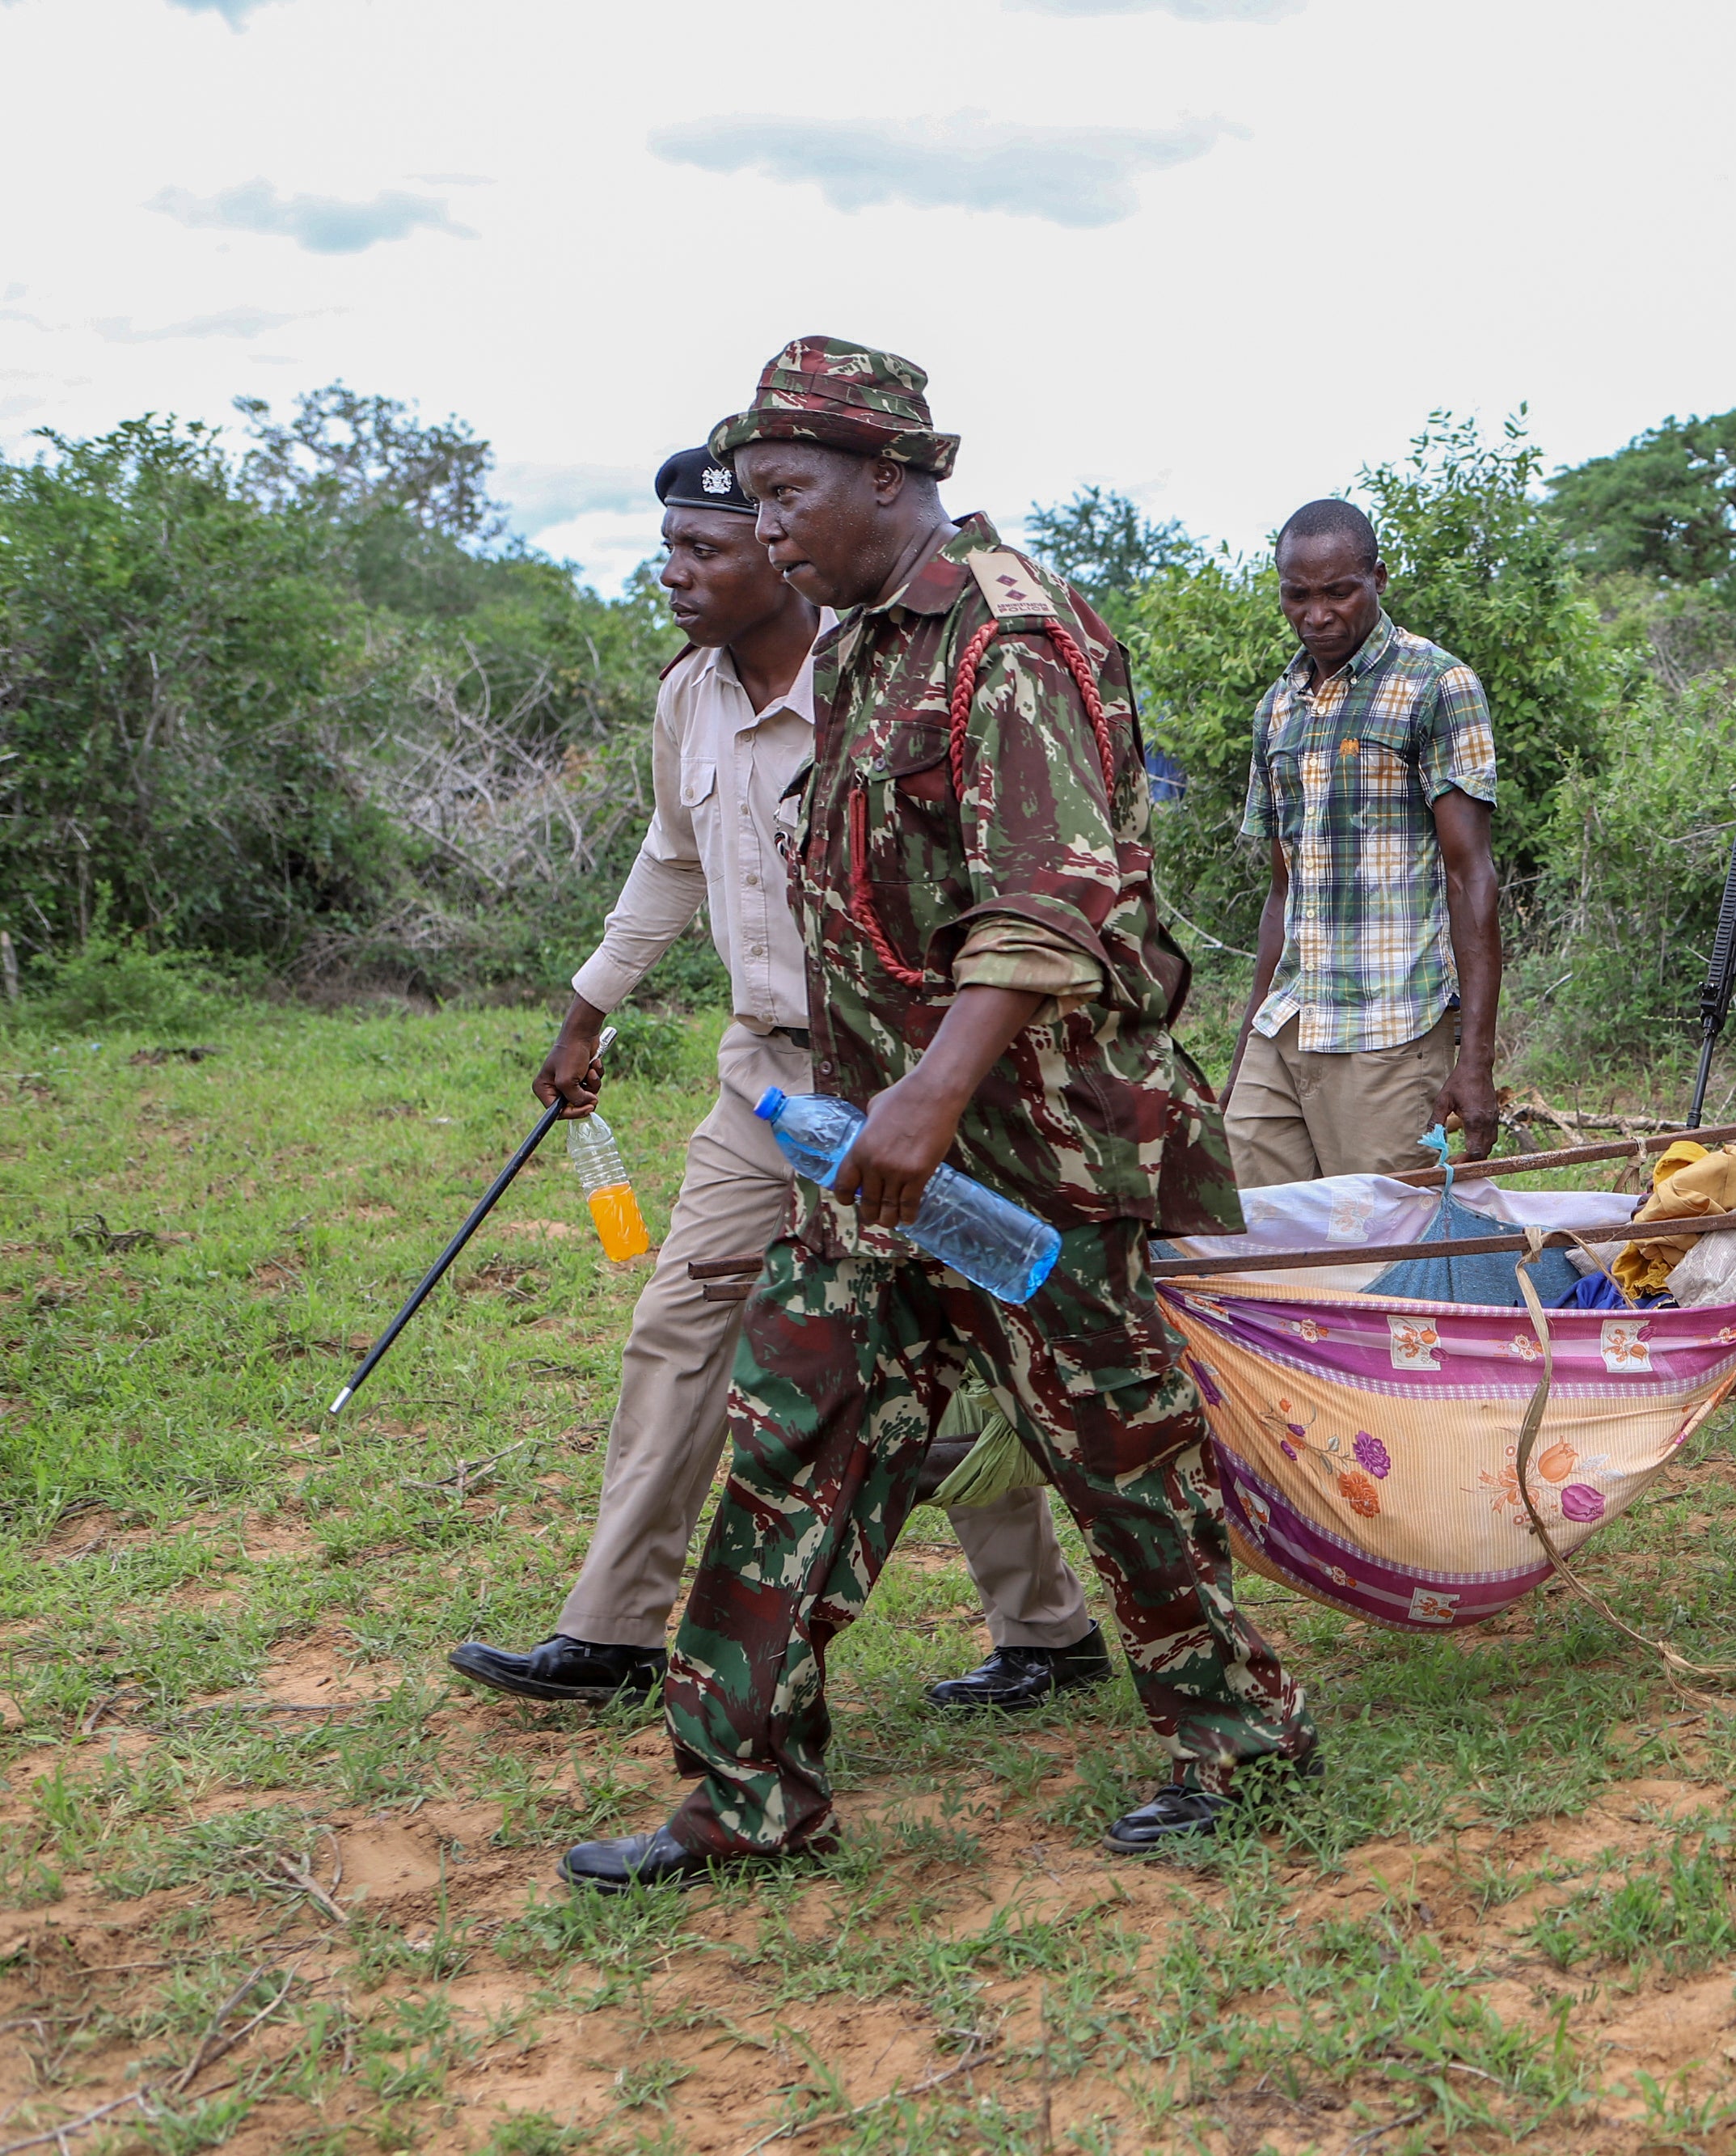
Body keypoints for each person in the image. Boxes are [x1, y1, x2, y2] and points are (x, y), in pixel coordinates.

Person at [558, 340, 1312, 1892]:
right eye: (754, 500)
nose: (767, 531)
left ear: (887, 480)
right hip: (880, 1157)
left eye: (786, 496)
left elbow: (1053, 905)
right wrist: (867, 1113)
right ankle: (743, 1797)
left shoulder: (1008, 640)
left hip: (1038, 1156)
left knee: (1121, 1461)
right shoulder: (856, 650)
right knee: (794, 1434)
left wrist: (924, 1098)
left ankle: (1241, 1739)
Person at [446, 449, 1110, 1720]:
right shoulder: (687, 697)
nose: (674, 573)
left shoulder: (887, 677)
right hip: (762, 1081)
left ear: (771, 543)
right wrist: (588, 1010)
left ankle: (1046, 1630)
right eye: (669, 548)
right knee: (682, 1323)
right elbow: (667, 857)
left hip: (913, 1079)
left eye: (704, 548)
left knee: (955, 1346)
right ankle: (613, 1630)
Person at [1224, 500, 1502, 1183]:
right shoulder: (1278, 706)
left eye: (1337, 592)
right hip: (1287, 1022)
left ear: (1378, 578)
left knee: (1382, 1251)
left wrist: (1476, 1060)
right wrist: (1244, 1044)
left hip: (1390, 1028)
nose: (1316, 615)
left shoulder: (1436, 684)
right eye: (1297, 595)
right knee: (1254, 1235)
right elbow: (1282, 891)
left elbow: (1473, 879)